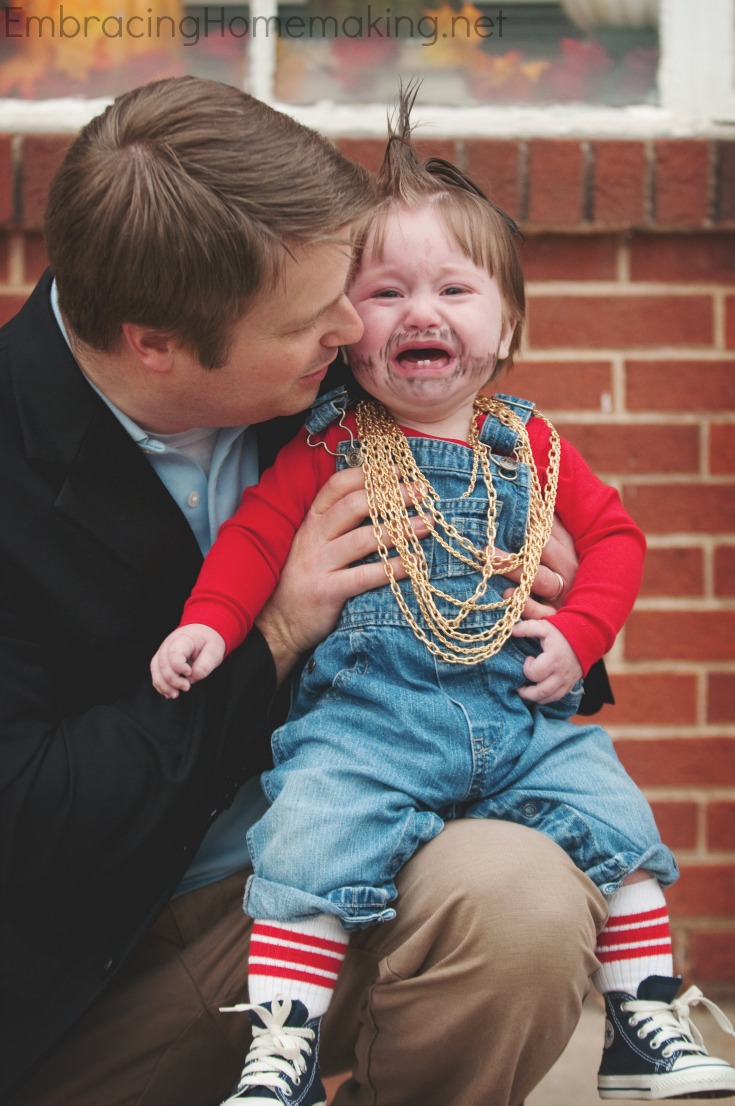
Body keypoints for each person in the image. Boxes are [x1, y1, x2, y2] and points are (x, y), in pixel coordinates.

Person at [0, 75, 609, 1106]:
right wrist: (275, 629)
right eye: (311, 316)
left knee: (521, 900)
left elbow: (538, 624)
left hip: (367, 836)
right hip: (109, 969)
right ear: (156, 339)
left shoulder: (335, 381)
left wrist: (535, 597)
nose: (350, 326)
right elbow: (35, 818)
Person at [152, 90, 735, 1105]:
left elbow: (615, 540)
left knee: (619, 822)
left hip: (516, 713)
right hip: (369, 724)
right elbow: (252, 538)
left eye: (455, 289)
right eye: (386, 292)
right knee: (308, 836)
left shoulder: (535, 450)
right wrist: (213, 620)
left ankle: (642, 1017)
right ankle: (282, 1043)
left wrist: (581, 635)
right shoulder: (332, 445)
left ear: (505, 322)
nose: (421, 312)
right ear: (345, 327)